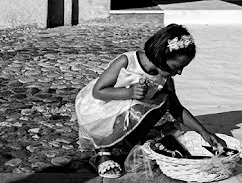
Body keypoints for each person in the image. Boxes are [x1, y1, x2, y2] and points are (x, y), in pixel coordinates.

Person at [75, 23, 227, 178]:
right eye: (177, 66)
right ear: (162, 56)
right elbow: (98, 91)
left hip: (124, 109)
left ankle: (126, 142)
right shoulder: (127, 62)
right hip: (99, 108)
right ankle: (103, 152)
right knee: (139, 109)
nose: (179, 72)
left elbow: (176, 108)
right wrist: (129, 92)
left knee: (164, 100)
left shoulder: (165, 77)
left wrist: (202, 131)